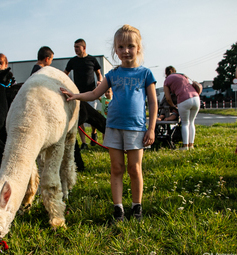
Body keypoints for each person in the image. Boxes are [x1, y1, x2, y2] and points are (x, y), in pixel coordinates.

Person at [61, 24, 157, 221]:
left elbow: (154, 102)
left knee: (134, 168)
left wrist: (152, 128)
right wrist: (75, 95)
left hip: (136, 129)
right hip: (113, 127)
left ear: (138, 48)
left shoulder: (146, 74)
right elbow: (95, 93)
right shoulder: (112, 74)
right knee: (116, 168)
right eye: (120, 47)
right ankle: (118, 209)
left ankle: (136, 207)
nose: (126, 51)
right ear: (115, 50)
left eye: (130, 46)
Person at [64, 39, 103, 149]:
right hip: (77, 95)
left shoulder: (92, 60)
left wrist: (99, 81)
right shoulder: (72, 61)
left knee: (92, 117)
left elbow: (98, 74)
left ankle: (94, 133)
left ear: (84, 48)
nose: (75, 49)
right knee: (80, 118)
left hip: (91, 93)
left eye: (77, 47)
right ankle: (84, 143)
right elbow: (65, 74)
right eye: (74, 47)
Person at [163, 66, 202, 150]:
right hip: (196, 98)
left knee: (185, 123)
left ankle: (185, 146)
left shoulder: (167, 81)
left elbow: (168, 98)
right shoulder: (183, 75)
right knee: (191, 122)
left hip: (184, 100)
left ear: (166, 74)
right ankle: (191, 145)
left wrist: (173, 106)